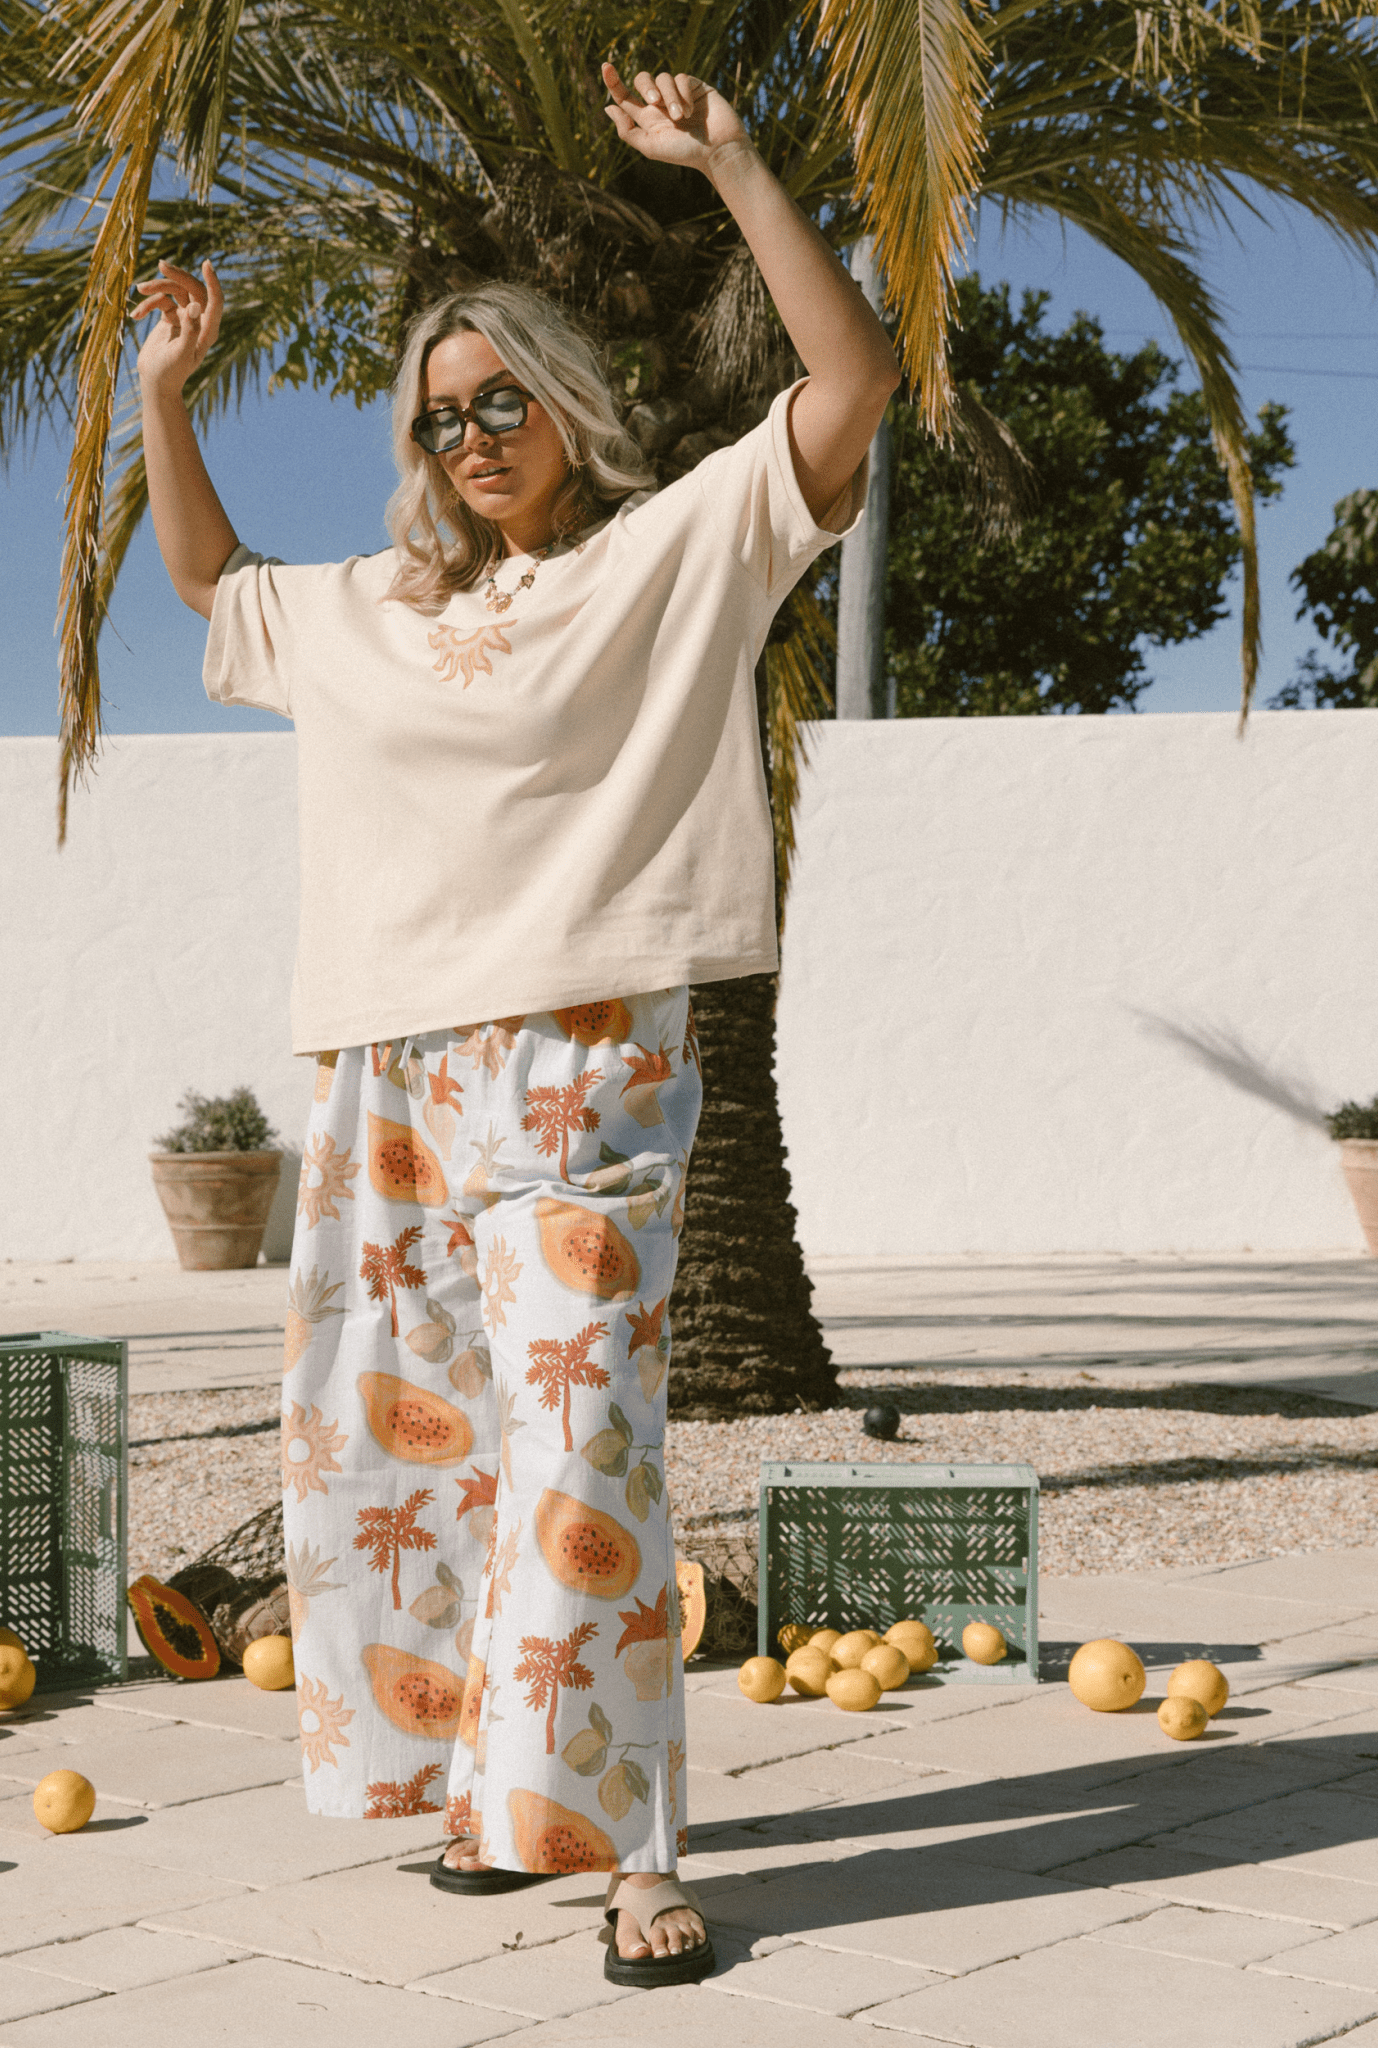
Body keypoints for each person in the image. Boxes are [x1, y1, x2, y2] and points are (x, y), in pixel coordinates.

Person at [135, 58, 898, 1990]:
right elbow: (209, 584)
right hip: (392, 1071)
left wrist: (732, 162)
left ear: (564, 409)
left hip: (584, 1059)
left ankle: (636, 1855)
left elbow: (850, 391)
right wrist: (164, 398)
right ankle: (503, 1794)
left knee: (579, 1456)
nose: (474, 434)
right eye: (440, 414)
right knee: (419, 1453)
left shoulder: (664, 555)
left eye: (503, 401)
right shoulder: (375, 606)